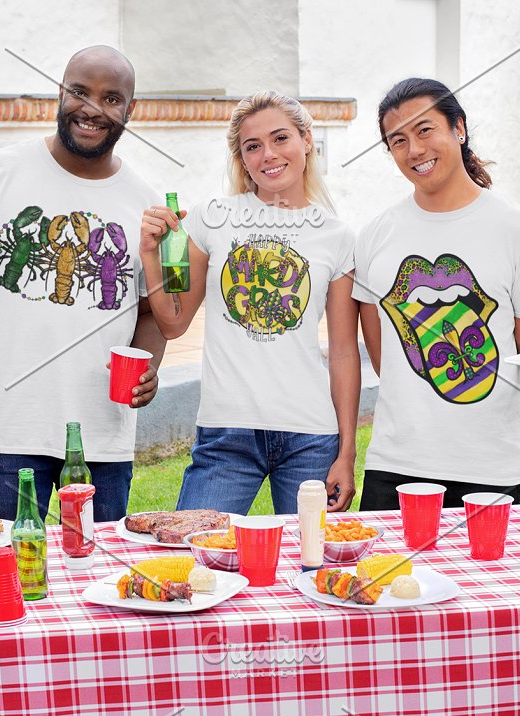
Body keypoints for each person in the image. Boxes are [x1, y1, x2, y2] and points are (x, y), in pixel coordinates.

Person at [0, 45, 165, 523]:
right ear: (59, 94)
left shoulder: (144, 200)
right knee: (12, 576)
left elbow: (151, 311)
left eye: (111, 98)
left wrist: (148, 369)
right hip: (8, 428)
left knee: (98, 576)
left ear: (130, 109)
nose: (92, 109)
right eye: (80, 92)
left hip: (104, 433)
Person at [354, 77, 520, 512]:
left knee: (491, 582)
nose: (414, 150)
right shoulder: (374, 236)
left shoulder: (519, 229)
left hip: (492, 465)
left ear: (458, 128)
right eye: (398, 140)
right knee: (389, 581)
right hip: (396, 463)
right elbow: (388, 357)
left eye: (425, 130)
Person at [139, 91, 360, 515]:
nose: (268, 155)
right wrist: (151, 254)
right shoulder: (213, 220)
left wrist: (346, 452)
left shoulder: (336, 237)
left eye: (280, 138)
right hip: (227, 434)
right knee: (197, 562)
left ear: (307, 140)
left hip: (309, 436)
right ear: (242, 159)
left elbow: (345, 352)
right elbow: (173, 321)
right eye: (252, 146)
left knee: (311, 568)